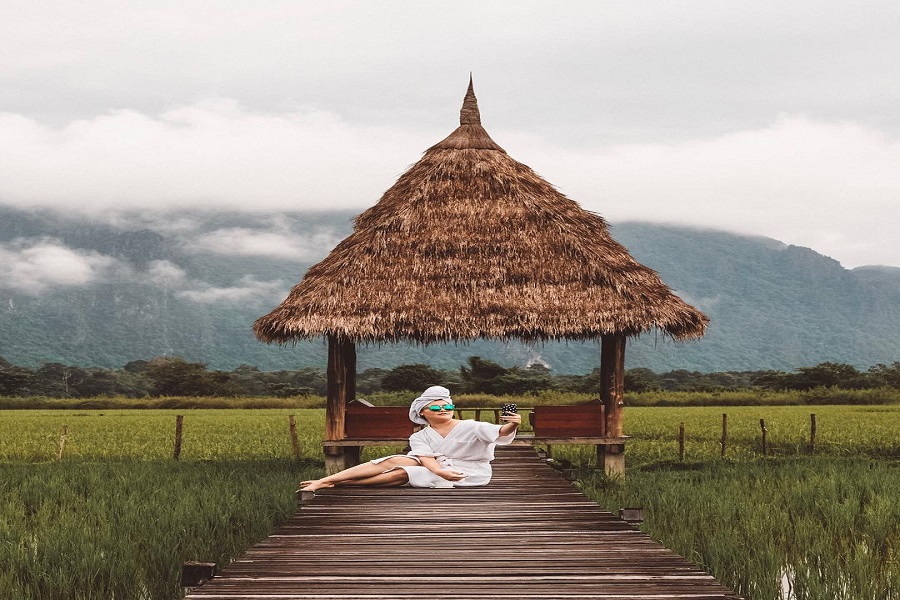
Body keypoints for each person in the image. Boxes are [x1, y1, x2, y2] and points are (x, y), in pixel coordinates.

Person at [298, 385, 520, 491]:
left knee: (406, 472)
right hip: (440, 468)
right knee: (395, 460)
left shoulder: (472, 426)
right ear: (422, 412)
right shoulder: (420, 436)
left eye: (448, 406)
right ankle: (327, 480)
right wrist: (440, 470)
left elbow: (499, 432)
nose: (444, 409)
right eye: (436, 406)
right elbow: (428, 460)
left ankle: (339, 484)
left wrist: (511, 424)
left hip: (468, 472)